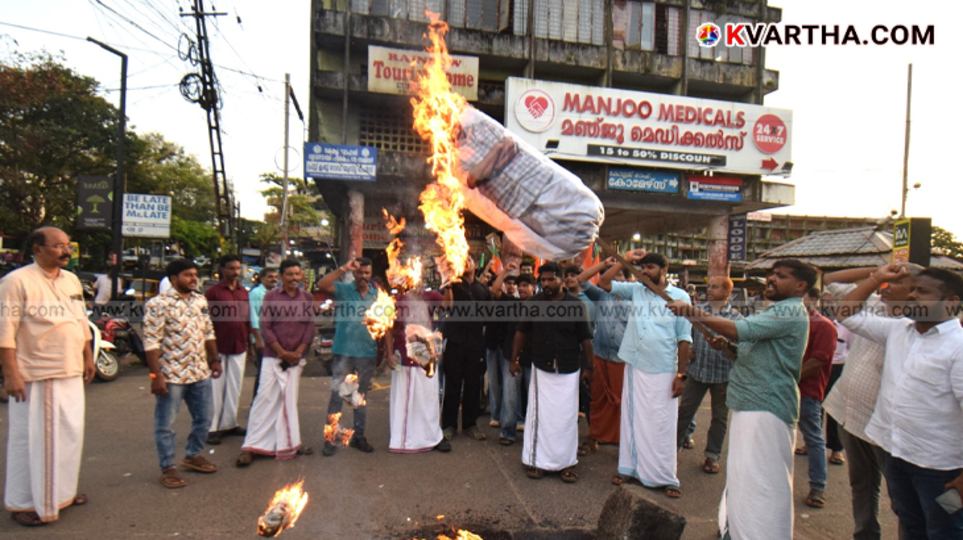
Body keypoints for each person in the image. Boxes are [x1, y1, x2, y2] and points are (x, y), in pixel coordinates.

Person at [666, 258, 815, 539]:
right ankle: (739, 530)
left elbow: (739, 330)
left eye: (780, 276)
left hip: (766, 406)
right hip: (752, 403)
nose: (771, 279)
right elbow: (750, 346)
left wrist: (689, 310)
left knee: (762, 480)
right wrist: (729, 346)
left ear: (801, 285)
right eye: (770, 274)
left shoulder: (789, 311)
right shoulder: (779, 310)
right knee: (744, 476)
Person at [837, 264, 963, 538]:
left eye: (924, 292)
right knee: (911, 523)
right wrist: (877, 278)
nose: (913, 296)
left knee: (946, 529)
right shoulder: (898, 330)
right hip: (898, 457)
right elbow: (845, 314)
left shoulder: (958, 347)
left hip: (941, 472)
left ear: (951, 303)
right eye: (913, 290)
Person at [0, 227, 95, 526]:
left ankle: (61, 494)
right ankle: (25, 503)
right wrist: (10, 375)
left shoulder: (70, 279)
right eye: (58, 246)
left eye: (68, 246)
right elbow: (5, 333)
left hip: (70, 370)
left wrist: (88, 355)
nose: (66, 251)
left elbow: (81, 320)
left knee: (68, 436)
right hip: (38, 374)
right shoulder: (16, 281)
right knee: (33, 440)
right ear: (38, 248)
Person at [821, 263, 922, 540]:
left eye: (895, 282)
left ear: (915, 292)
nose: (885, 286)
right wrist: (877, 272)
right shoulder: (873, 303)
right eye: (885, 282)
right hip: (849, 413)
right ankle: (865, 534)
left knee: (903, 499)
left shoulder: (919, 324)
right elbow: (830, 277)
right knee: (861, 485)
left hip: (886, 426)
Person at [601, 251, 691, 499]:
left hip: (663, 368)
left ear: (664, 270)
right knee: (632, 419)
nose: (645, 272)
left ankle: (665, 476)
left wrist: (681, 375)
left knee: (662, 423)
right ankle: (628, 469)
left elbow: (684, 339)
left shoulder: (681, 297)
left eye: (650, 267)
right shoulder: (636, 290)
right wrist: (624, 260)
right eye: (641, 268)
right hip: (635, 364)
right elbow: (604, 283)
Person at [510, 262, 593, 483]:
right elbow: (521, 333)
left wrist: (590, 367)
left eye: (551, 279)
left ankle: (567, 463)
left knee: (566, 418)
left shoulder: (576, 305)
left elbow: (585, 338)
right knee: (540, 417)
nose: (546, 284)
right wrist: (514, 359)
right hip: (541, 368)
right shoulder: (533, 304)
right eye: (543, 280)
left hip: (569, 369)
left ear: (562, 279)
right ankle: (536, 461)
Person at [143, 259, 220, 490]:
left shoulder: (200, 300)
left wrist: (214, 359)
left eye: (195, 274)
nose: (193, 279)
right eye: (188, 275)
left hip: (199, 371)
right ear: (174, 279)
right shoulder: (158, 304)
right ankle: (168, 467)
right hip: (172, 374)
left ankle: (193, 455)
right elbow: (151, 341)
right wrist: (156, 375)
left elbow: (208, 331)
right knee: (166, 423)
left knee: (205, 417)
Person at [236, 259, 316, 466]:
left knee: (288, 401)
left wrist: (298, 351)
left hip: (296, 358)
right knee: (264, 399)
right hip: (273, 357)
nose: (295, 278)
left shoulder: (306, 297)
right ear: (281, 277)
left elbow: (309, 327)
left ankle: (290, 443)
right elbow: (266, 327)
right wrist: (282, 352)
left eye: (298, 274)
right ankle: (251, 446)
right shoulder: (271, 297)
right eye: (290, 275)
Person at [675, 276, 743, 475]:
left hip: (723, 375)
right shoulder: (697, 311)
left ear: (727, 292)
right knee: (685, 411)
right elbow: (685, 335)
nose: (710, 289)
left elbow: (741, 347)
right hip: (697, 371)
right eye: (709, 286)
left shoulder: (736, 319)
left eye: (715, 287)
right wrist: (689, 352)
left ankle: (712, 456)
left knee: (719, 418)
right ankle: (672, 449)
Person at [317, 257, 378, 455]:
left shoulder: (377, 295)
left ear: (370, 275)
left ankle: (359, 437)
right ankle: (330, 437)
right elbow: (322, 284)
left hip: (367, 353)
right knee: (337, 395)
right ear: (354, 273)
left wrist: (385, 350)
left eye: (366, 273)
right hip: (343, 351)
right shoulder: (344, 290)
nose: (363, 276)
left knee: (360, 397)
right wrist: (344, 268)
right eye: (359, 272)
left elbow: (386, 324)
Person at [575, 258, 632, 456]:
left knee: (622, 403)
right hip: (600, 356)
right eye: (612, 277)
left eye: (619, 276)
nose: (614, 282)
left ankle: (624, 444)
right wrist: (604, 264)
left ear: (628, 280)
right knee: (597, 400)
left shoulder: (636, 299)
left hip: (623, 360)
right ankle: (594, 437)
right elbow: (581, 279)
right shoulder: (601, 296)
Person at [384, 285, 449, 453]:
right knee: (406, 400)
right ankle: (404, 440)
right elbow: (389, 329)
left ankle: (433, 436)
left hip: (426, 355)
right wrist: (389, 354)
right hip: (404, 356)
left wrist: (449, 284)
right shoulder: (397, 300)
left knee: (428, 400)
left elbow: (449, 306)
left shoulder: (431, 295)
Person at [440, 257, 493, 441]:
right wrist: (447, 285)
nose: (467, 262)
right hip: (455, 341)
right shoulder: (453, 285)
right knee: (452, 386)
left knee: (473, 385)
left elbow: (488, 317)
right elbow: (446, 307)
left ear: (476, 266)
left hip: (475, 344)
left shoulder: (483, 289)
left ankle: (470, 425)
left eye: (470, 260)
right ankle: (448, 426)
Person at [795, 287, 837, 509]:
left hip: (807, 391)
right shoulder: (793, 320)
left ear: (813, 298)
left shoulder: (824, 326)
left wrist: (788, 379)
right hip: (787, 389)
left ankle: (818, 486)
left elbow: (817, 361)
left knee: (813, 437)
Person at [204, 255, 251, 445]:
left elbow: (246, 318)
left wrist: (250, 341)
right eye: (231, 268)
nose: (235, 272)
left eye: (238, 268)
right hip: (218, 345)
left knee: (234, 386)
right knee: (216, 387)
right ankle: (212, 427)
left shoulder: (242, 292)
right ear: (222, 269)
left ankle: (229, 423)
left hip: (239, 344)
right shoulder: (213, 292)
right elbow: (205, 322)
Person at [819, 290, 851, 468]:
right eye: (825, 303)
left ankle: (836, 449)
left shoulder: (847, 326)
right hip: (817, 366)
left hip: (837, 368)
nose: (828, 306)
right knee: (815, 406)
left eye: (831, 303)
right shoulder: (817, 322)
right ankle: (811, 442)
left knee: (834, 408)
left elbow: (852, 350)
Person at [485, 264, 518, 430]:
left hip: (510, 349)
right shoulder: (501, 299)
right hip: (492, 345)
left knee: (510, 385)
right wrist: (504, 271)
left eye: (514, 284)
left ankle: (511, 420)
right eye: (508, 283)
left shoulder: (522, 303)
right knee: (494, 382)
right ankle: (495, 415)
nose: (511, 286)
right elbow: (495, 289)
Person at [249, 267, 279, 402]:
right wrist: (258, 339)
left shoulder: (275, 294)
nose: (274, 279)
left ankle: (269, 402)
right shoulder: (256, 293)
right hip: (262, 337)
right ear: (262, 279)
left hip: (274, 337)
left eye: (275, 277)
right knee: (263, 372)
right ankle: (257, 402)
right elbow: (253, 316)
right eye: (270, 277)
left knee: (273, 371)